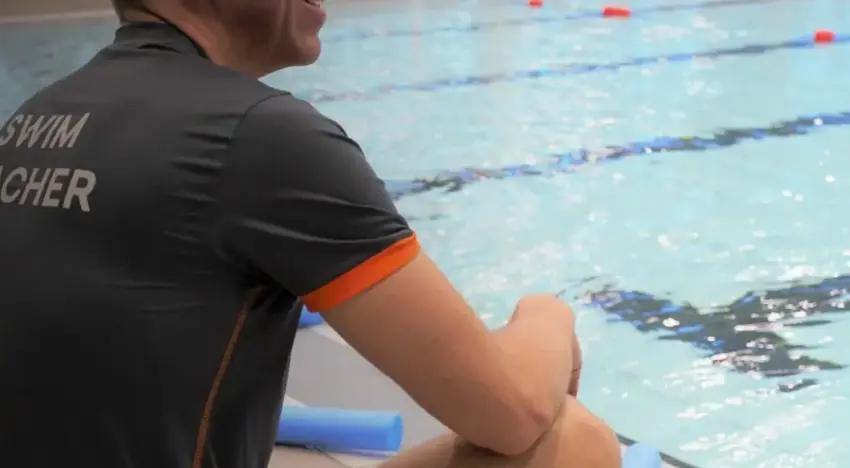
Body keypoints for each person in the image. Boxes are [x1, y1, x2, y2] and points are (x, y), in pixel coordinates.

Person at [0, 0, 621, 467]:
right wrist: (548, 314)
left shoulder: (38, 115)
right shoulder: (256, 134)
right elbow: (510, 413)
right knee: (570, 444)